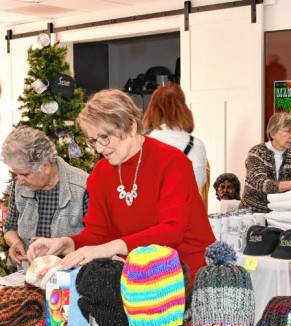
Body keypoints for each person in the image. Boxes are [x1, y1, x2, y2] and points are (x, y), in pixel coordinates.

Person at [27, 89, 215, 282]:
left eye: (104, 137)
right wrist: (67, 243)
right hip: (137, 278)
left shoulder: (172, 162)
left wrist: (113, 247)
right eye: (93, 141)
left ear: (131, 127)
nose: (99, 148)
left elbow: (172, 231)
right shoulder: (100, 173)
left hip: (187, 275)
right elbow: (97, 234)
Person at [1, 125, 89, 265]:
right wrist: (15, 242)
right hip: (30, 276)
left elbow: (95, 240)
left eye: (24, 174)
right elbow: (10, 227)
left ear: (46, 167)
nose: (19, 180)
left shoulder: (83, 187)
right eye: (16, 174)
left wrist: (62, 248)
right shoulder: (20, 186)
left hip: (70, 277)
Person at [143, 83, 209, 206]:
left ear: (153, 109)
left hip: (151, 216)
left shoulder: (143, 143)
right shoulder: (196, 145)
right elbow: (198, 183)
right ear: (184, 108)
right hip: (184, 215)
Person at [240, 113, 291, 213]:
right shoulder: (256, 153)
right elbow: (263, 184)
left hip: (281, 215)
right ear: (273, 133)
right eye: (288, 132)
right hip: (252, 214)